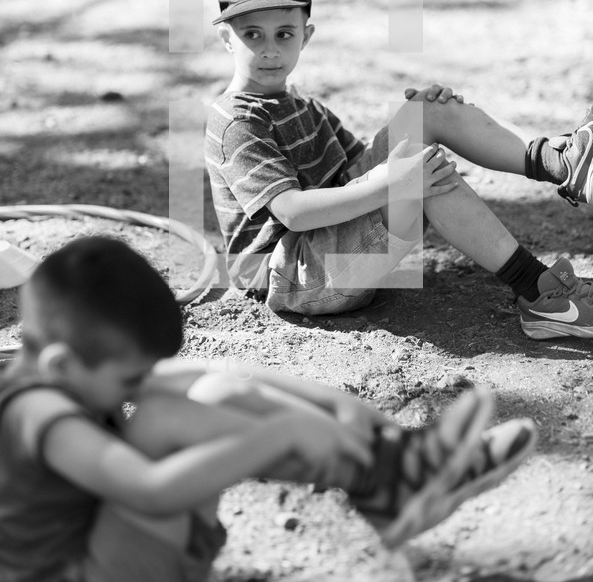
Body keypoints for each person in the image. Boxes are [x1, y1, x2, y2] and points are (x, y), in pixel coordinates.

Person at [0, 236, 536, 581]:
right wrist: (280, 435)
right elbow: (149, 489)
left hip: (105, 551)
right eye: (128, 377)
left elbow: (218, 377)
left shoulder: (65, 376)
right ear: (62, 364)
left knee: (213, 388)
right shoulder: (36, 413)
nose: (137, 386)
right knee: (162, 417)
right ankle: (388, 482)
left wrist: (350, 420)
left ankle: (391, 468)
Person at [205, 0, 593, 338]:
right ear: (226, 38)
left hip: (331, 241)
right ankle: (539, 293)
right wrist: (395, 183)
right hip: (293, 276)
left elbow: (359, 170)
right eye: (252, 34)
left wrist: (412, 134)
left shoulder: (303, 105)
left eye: (283, 34)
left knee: (425, 113)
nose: (269, 49)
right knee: (420, 174)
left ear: (305, 36)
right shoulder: (237, 121)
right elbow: (293, 213)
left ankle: (563, 163)